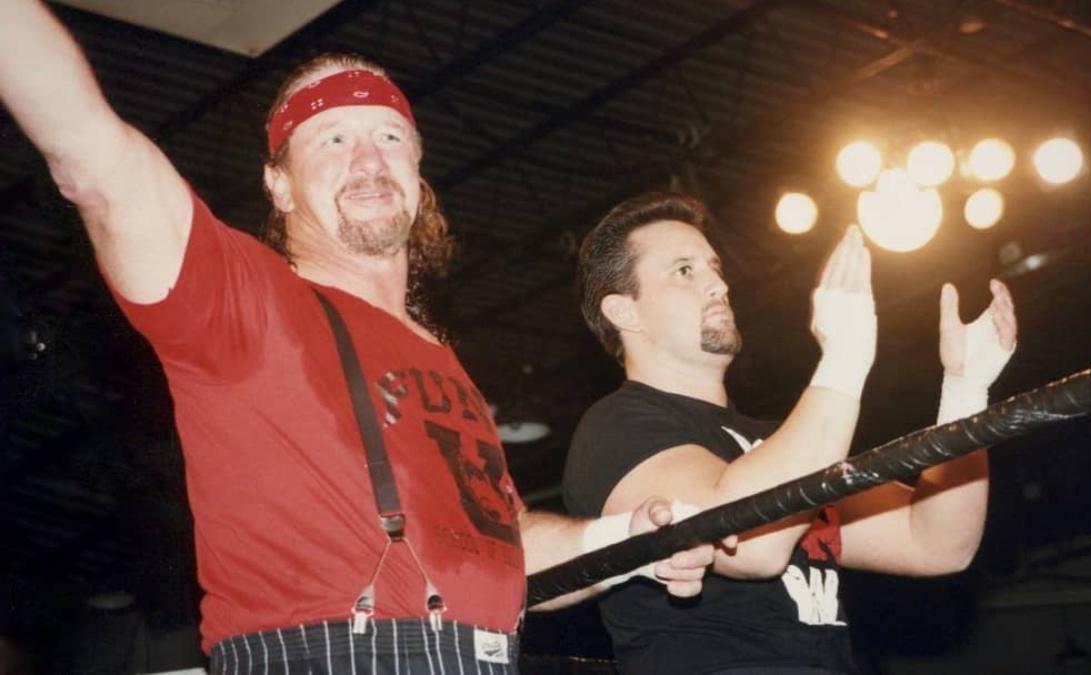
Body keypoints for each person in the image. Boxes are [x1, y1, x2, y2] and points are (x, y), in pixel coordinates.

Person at [0, 3, 719, 671]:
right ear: (277, 185)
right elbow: (92, 155)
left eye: (389, 137)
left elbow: (498, 545)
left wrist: (626, 539)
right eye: (333, 139)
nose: (368, 160)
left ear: (417, 170)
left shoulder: (444, 364)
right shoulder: (237, 299)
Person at [564, 192, 1017, 674]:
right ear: (624, 312)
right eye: (684, 271)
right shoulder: (615, 429)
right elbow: (753, 545)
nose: (718, 284)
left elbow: (936, 544)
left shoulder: (783, 444)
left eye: (714, 267)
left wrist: (966, 394)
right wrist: (845, 355)